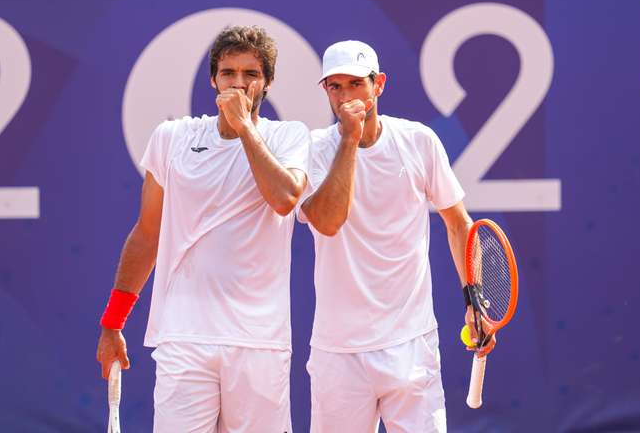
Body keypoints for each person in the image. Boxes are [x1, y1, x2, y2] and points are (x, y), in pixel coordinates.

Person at [96, 25, 310, 433]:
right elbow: (147, 233)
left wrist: (245, 128)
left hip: (259, 341)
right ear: (213, 79)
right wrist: (113, 321)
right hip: (184, 336)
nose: (239, 83)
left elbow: (285, 199)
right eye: (228, 73)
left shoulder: (289, 137)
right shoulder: (172, 138)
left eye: (251, 74)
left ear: (267, 82)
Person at [298, 40, 496, 433]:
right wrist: (350, 141)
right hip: (338, 353)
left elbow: (458, 224)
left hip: (412, 345)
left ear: (379, 85)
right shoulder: (313, 150)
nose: (345, 96)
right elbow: (325, 221)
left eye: (355, 84)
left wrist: (473, 298)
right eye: (334, 87)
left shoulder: (419, 142)